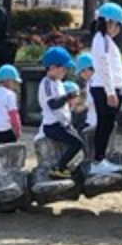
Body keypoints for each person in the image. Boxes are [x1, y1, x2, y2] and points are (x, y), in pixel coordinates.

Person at [89, 2, 122, 175]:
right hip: (104, 88)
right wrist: (110, 92)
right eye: (117, 25)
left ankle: (100, 158)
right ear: (109, 22)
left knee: (107, 125)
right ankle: (98, 160)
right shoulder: (101, 40)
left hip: (107, 87)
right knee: (105, 125)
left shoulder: (105, 40)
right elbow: (104, 67)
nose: (118, 29)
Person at [38, 46, 84, 180]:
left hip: (62, 123)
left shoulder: (58, 82)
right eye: (63, 69)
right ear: (52, 67)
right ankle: (59, 167)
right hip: (53, 125)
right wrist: (67, 97)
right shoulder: (46, 84)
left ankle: (69, 167)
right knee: (77, 143)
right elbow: (52, 104)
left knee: (78, 140)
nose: (65, 72)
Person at [74, 52, 97, 130]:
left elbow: (89, 103)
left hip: (93, 122)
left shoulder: (93, 82)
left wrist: (76, 109)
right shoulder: (92, 81)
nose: (80, 75)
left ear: (86, 70)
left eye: (80, 72)